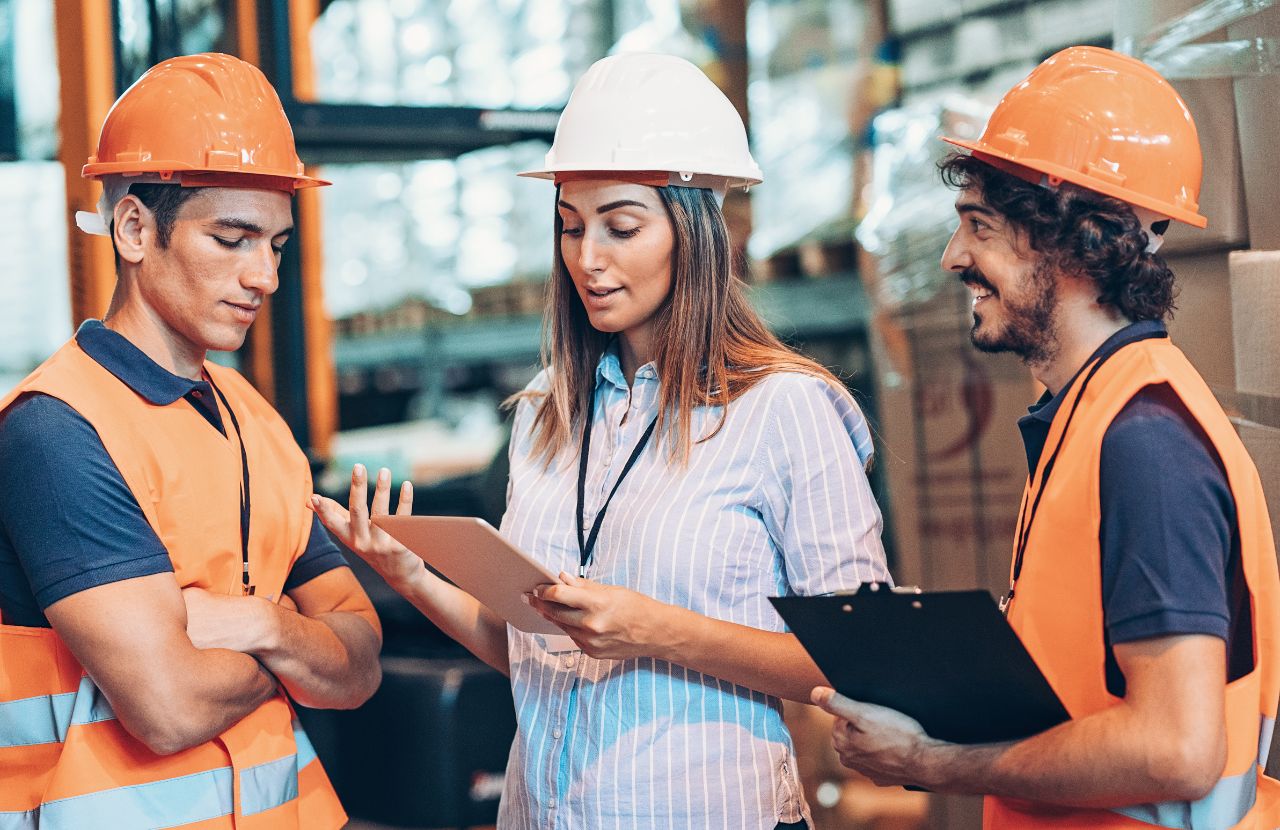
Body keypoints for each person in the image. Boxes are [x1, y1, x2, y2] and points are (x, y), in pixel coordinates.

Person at [312, 52, 889, 829]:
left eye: (621, 227)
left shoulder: (784, 409)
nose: (588, 259)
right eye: (571, 226)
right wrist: (409, 573)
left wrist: (657, 631)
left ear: (696, 231)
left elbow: (863, 661)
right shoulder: (548, 411)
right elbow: (534, 654)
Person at [813, 45, 1280, 828]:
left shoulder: (1145, 442)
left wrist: (932, 762)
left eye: (979, 227)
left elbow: (1178, 750)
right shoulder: (1097, 413)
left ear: (1070, 242)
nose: (953, 257)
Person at [0, 54, 381, 828]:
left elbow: (362, 664)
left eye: (274, 245)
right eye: (233, 239)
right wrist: (299, 655)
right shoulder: (56, 431)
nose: (264, 277)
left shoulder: (251, 416)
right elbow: (167, 706)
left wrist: (263, 623)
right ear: (135, 228)